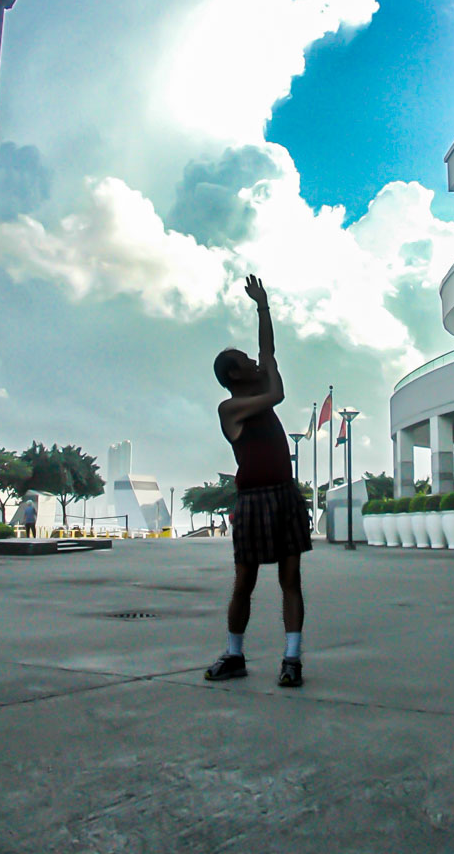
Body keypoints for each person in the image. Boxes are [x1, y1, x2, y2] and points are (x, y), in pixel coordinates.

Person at [205, 275, 311, 688]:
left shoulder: (254, 389)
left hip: (283, 493)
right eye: (245, 360)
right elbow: (277, 393)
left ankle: (292, 659)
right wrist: (271, 372)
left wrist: (262, 307)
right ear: (234, 374)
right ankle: (234, 654)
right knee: (244, 581)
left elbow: (268, 351)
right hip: (253, 499)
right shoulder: (230, 409)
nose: (254, 361)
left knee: (291, 579)